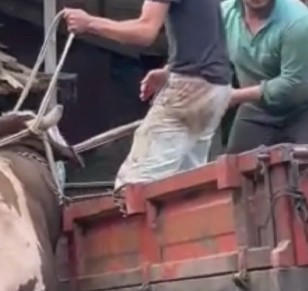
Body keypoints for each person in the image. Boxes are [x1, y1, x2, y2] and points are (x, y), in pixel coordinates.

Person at [62, 0, 233, 192]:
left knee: (134, 185)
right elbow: (204, 37)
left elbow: (145, 31)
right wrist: (169, 71)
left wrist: (89, 23)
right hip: (215, 88)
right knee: (189, 185)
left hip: (190, 90)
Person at [221, 0, 308, 153]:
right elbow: (206, 57)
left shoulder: (298, 20)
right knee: (233, 167)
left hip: (302, 107)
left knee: (301, 166)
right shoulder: (224, 14)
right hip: (257, 107)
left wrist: (234, 96)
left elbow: (294, 84)